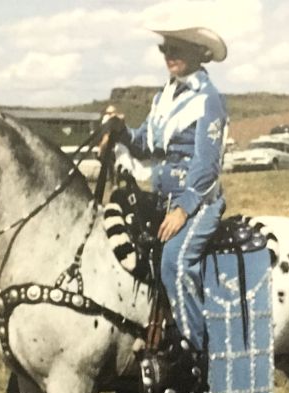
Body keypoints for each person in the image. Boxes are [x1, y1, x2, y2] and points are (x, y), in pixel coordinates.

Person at [106, 26, 229, 353]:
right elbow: (145, 144)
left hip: (197, 203)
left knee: (174, 263)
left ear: (199, 53)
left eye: (177, 49)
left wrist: (182, 209)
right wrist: (121, 132)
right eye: (165, 49)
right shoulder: (164, 97)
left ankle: (195, 353)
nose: (170, 56)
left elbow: (207, 165)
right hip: (163, 199)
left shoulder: (209, 100)